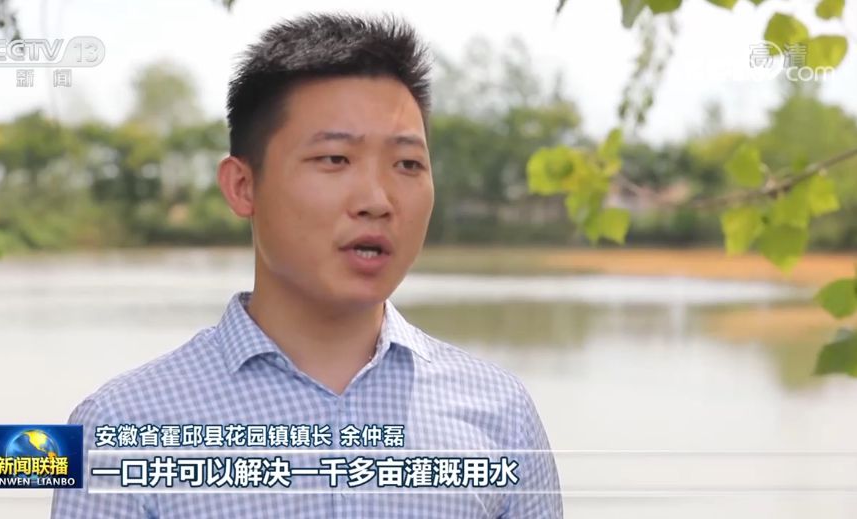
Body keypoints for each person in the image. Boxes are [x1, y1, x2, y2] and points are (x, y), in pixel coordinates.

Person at [52, 12, 563, 518]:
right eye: (335, 159)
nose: (377, 200)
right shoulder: (119, 428)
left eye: (407, 164)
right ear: (242, 186)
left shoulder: (501, 415)